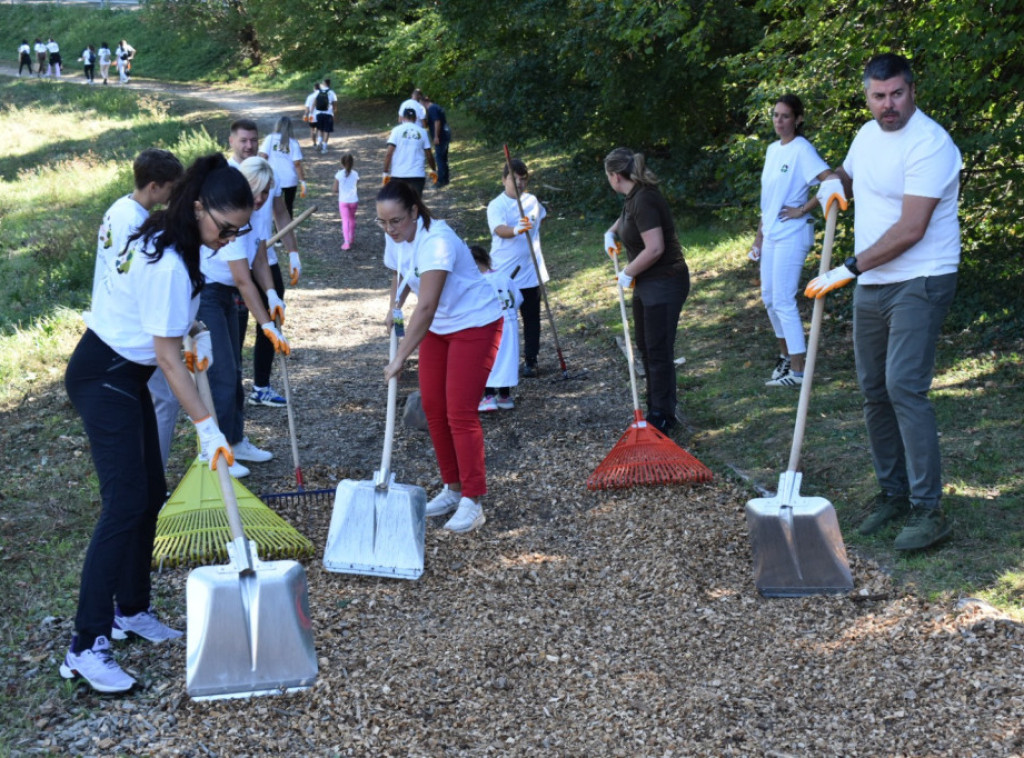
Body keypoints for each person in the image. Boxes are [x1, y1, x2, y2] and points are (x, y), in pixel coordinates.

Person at [61, 154, 251, 693]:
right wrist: (207, 428)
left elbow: (165, 328)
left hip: (126, 373)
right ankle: (85, 645)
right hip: (105, 375)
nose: (229, 241)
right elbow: (168, 362)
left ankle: (131, 610)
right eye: (226, 228)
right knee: (124, 504)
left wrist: (194, 330)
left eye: (238, 232)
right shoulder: (170, 260)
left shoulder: (180, 242)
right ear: (199, 208)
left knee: (148, 495)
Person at [805, 53, 961, 552]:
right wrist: (833, 181)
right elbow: (848, 175)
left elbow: (912, 229)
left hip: (922, 277)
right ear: (867, 97)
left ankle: (928, 509)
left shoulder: (931, 144)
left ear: (912, 91)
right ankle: (893, 493)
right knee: (874, 389)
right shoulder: (866, 136)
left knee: (903, 386)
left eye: (896, 94)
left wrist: (848, 268)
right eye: (878, 96)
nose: (888, 105)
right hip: (874, 282)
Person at [378, 181, 503, 533]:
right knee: (433, 407)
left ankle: (472, 501)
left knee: (459, 411)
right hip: (440, 327)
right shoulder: (397, 234)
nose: (390, 229)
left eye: (396, 221)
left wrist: (400, 358)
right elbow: (400, 271)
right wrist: (394, 306)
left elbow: (428, 306)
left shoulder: (438, 242)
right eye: (383, 222)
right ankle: (453, 488)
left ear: (415, 211)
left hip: (475, 323)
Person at [92, 148, 185, 470]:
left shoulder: (120, 208)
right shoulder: (135, 222)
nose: (174, 194)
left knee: (152, 400)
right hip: (133, 328)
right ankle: (153, 474)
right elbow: (138, 279)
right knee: (166, 400)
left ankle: (147, 470)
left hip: (121, 324)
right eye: (172, 187)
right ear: (154, 186)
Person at [198, 156, 289, 478]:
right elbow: (242, 279)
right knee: (221, 371)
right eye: (257, 190)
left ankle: (235, 440)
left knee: (234, 368)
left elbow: (260, 258)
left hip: (227, 294)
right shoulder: (231, 216)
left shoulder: (256, 213)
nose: (262, 198)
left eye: (266, 192)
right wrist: (266, 325)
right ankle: (214, 449)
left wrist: (272, 294)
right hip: (209, 293)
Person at [603, 148, 691, 434]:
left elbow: (655, 248)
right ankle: (655, 407)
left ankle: (663, 415)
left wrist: (627, 272)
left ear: (615, 176)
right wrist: (611, 232)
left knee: (658, 349)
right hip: (647, 283)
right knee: (645, 345)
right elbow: (626, 220)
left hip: (665, 281)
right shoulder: (633, 196)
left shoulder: (644, 199)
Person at [751, 94, 833, 388]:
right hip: (772, 234)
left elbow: (830, 180)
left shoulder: (802, 149)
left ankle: (799, 372)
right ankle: (786, 356)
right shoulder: (773, 150)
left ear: (798, 119)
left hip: (793, 234)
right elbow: (769, 201)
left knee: (784, 300)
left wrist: (803, 209)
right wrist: (758, 239)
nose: (779, 121)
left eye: (785, 116)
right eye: (776, 115)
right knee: (769, 298)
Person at [226, 118, 300, 408]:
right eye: (243, 140)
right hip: (232, 264)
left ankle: (262, 387)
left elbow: (280, 213)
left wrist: (292, 252)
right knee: (236, 328)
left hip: (261, 257)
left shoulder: (268, 172)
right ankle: (232, 392)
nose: (248, 145)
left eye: (253, 140)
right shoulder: (227, 177)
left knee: (271, 318)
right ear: (231, 141)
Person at [487, 158, 548, 377]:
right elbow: (499, 230)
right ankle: (502, 362)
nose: (519, 183)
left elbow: (542, 217)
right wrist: (516, 229)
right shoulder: (497, 205)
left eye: (523, 179)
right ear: (504, 180)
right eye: (514, 179)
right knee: (505, 320)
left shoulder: (532, 201)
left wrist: (531, 233)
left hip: (531, 271)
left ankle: (531, 360)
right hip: (506, 274)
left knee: (532, 318)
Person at [470, 245, 522, 412]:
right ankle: (505, 396)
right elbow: (518, 298)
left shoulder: (478, 282)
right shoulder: (504, 277)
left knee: (487, 359)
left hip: (490, 325)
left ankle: (489, 396)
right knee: (506, 358)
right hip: (509, 324)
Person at [259, 116, 306, 218]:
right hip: (290, 179)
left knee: (272, 205)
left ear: (277, 125)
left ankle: (275, 225)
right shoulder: (293, 142)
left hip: (273, 178)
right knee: (288, 205)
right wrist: (303, 182)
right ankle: (288, 226)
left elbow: (263, 156)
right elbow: (297, 164)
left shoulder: (270, 139)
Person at [383, 108, 437, 196]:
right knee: (415, 202)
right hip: (417, 175)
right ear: (415, 118)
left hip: (398, 175)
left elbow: (389, 154)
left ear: (403, 118)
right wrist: (433, 170)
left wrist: (385, 172)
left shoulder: (396, 130)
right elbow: (429, 154)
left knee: (400, 202)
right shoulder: (422, 132)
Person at [423, 94, 451, 187]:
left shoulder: (432, 109)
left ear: (424, 102)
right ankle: (445, 179)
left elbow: (437, 121)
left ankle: (440, 181)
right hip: (445, 134)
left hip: (441, 136)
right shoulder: (435, 107)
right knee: (443, 158)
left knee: (439, 158)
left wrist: (436, 136)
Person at [333, 153, 360, 250]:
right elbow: (356, 184)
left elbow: (335, 189)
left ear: (342, 163)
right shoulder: (355, 174)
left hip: (343, 201)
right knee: (352, 219)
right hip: (354, 200)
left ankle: (346, 242)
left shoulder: (339, 175)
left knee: (345, 221)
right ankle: (351, 237)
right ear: (352, 163)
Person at [313, 79, 338, 153]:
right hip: (328, 114)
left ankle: (319, 143)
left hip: (319, 113)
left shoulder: (318, 92)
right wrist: (334, 113)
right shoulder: (331, 92)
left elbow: (315, 102)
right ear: (329, 84)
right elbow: (335, 104)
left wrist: (314, 112)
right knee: (326, 131)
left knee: (320, 129)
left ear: (324, 84)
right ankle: (324, 148)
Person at [303, 81, 320, 147]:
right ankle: (319, 142)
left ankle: (314, 143)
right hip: (320, 115)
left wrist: (305, 115)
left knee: (312, 129)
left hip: (311, 115)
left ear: (314, 88)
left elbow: (307, 107)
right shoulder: (322, 96)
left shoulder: (310, 96)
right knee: (319, 129)